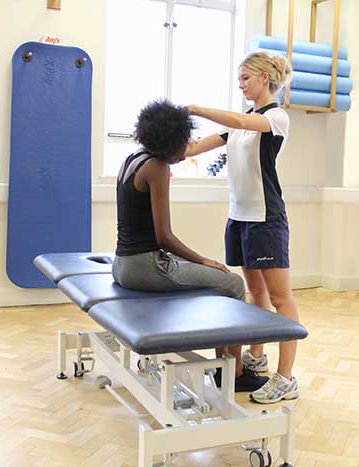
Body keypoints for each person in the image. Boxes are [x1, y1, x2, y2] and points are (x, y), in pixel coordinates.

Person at [112, 100, 268, 392]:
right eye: (183, 143)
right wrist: (203, 260)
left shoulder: (133, 158)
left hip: (122, 265)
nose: (185, 151)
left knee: (217, 283)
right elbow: (164, 237)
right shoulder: (156, 167)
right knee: (232, 283)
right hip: (145, 266)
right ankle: (232, 376)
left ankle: (224, 363)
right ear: (170, 139)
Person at [184, 52, 301, 404]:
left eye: (245, 78)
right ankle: (256, 355)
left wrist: (195, 108)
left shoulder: (276, 117)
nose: (241, 84)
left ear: (265, 78)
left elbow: (237, 120)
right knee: (255, 294)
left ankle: (285, 377)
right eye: (239, 79)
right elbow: (199, 146)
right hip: (239, 217)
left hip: (266, 218)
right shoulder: (241, 122)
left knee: (280, 298)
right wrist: (162, 146)